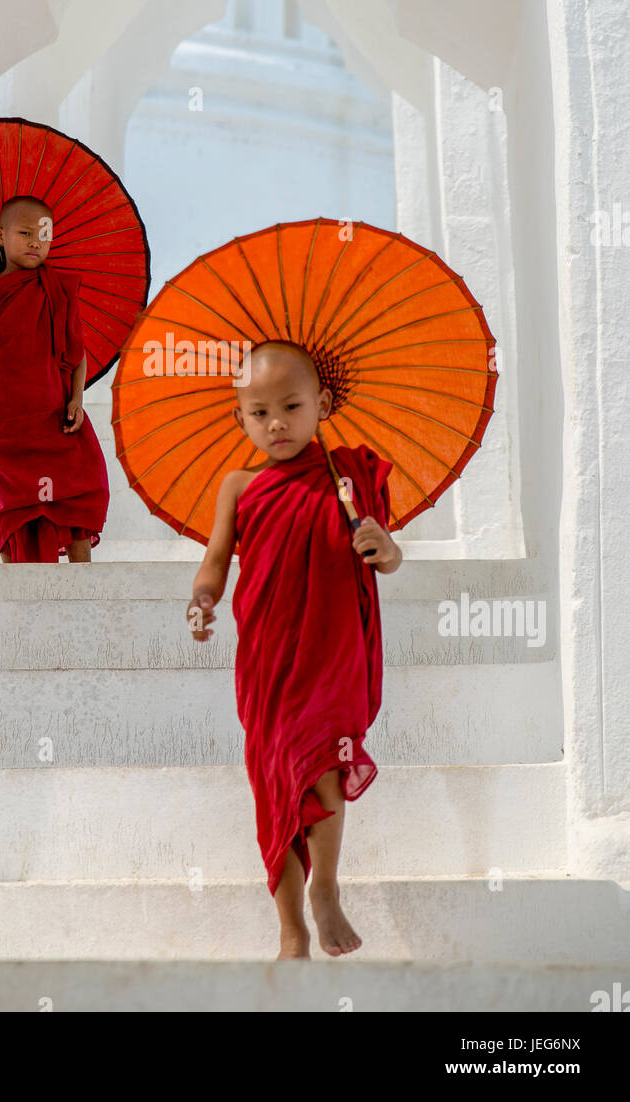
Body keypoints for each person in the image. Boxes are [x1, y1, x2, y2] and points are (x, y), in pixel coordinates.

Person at [187, 340, 402, 959]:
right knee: (275, 779)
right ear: (240, 418)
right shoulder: (237, 485)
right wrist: (202, 600)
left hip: (330, 650)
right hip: (267, 655)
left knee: (325, 760)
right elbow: (214, 564)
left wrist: (381, 547)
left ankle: (326, 888)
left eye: (290, 405)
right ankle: (290, 926)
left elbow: (389, 559)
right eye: (258, 412)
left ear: (322, 404)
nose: (275, 423)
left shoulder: (349, 477)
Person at [0, 195, 109, 562]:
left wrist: (77, 400)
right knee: (10, 493)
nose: (35, 242)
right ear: (0, 235)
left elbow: (78, 353)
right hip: (3, 416)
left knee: (76, 482)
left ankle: (81, 581)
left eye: (43, 235)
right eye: (25, 233)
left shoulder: (57, 288)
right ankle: (18, 583)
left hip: (50, 411)